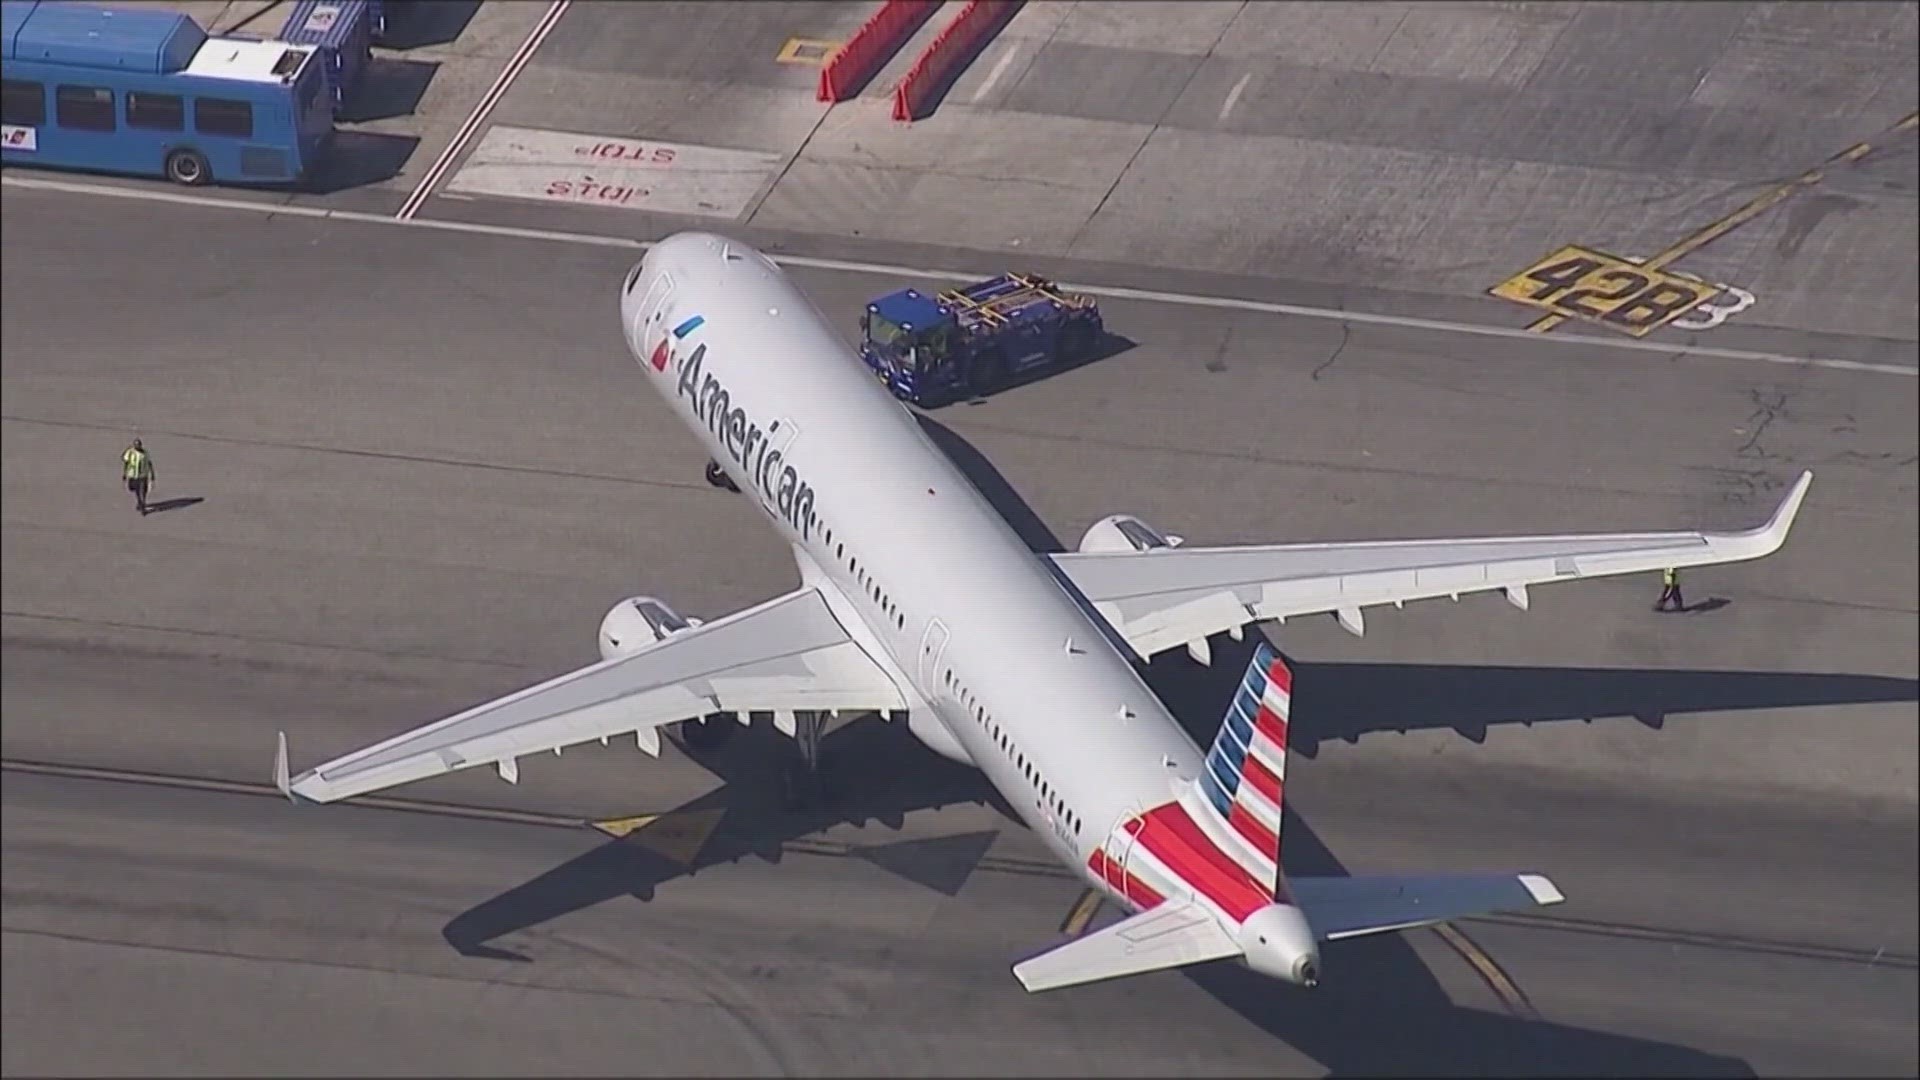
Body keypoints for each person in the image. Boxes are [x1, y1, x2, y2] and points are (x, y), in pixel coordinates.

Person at [121, 438, 155, 515]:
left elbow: (149, 463)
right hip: (133, 475)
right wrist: (125, 474)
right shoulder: (130, 452)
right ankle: (140, 502)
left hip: (143, 475)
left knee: (143, 491)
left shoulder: (145, 453)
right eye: (136, 445)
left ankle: (143, 506)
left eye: (138, 445)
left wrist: (152, 475)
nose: (137, 447)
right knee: (134, 489)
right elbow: (126, 462)